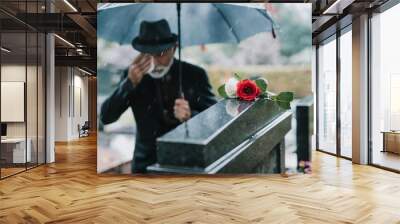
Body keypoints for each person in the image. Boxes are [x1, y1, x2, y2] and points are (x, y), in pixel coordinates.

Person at [100, 19, 217, 173]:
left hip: (186, 163)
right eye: (147, 54)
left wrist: (191, 116)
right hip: (144, 166)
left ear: (174, 48)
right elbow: (106, 117)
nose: (154, 61)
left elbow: (215, 121)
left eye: (160, 53)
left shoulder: (195, 75)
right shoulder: (132, 75)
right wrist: (129, 84)